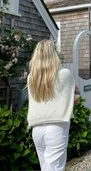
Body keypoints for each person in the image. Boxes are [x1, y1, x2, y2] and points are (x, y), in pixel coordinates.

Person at [27, 39, 76, 171]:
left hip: (36, 129)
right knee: (55, 168)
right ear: (54, 54)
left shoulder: (31, 77)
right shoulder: (65, 74)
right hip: (56, 127)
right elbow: (76, 98)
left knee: (46, 167)